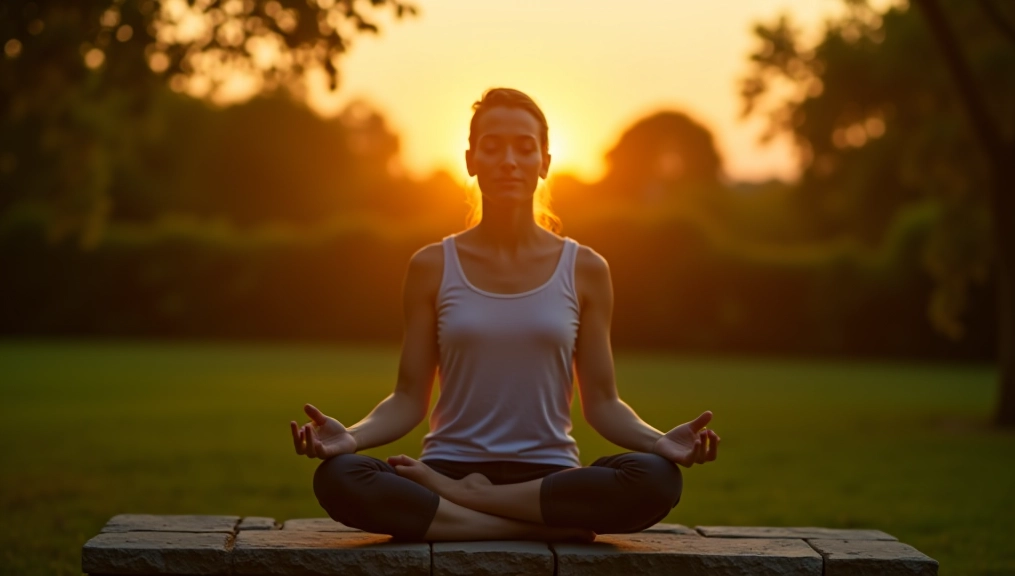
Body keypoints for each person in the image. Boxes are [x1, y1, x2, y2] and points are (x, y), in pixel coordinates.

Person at [289, 87, 721, 543]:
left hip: (546, 478)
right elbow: (408, 398)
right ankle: (545, 529)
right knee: (338, 477)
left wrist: (659, 442)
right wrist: (350, 439)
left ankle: (466, 509)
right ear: (471, 160)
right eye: (492, 148)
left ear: (545, 161)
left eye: (524, 147)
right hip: (450, 466)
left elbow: (604, 404)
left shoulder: (587, 270)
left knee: (657, 478)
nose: (508, 161)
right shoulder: (432, 266)